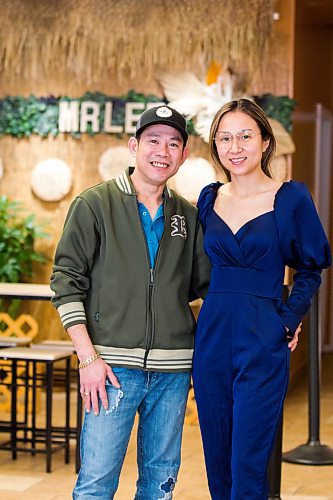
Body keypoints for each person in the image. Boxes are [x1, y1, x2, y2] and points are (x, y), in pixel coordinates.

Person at [50, 105, 210, 499]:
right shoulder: (94, 205)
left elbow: (207, 286)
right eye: (153, 140)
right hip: (108, 370)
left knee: (160, 485)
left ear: (184, 155)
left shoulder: (188, 217)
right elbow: (66, 282)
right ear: (134, 146)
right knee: (96, 485)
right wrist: (88, 358)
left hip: (172, 372)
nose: (163, 151)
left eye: (174, 143)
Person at [192, 98, 331, 499]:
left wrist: (288, 319)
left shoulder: (290, 198)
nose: (235, 147)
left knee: (248, 470)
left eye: (245, 136)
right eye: (224, 138)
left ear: (266, 142)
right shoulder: (209, 198)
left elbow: (310, 267)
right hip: (213, 336)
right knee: (218, 466)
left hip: (262, 338)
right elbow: (199, 269)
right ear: (216, 146)